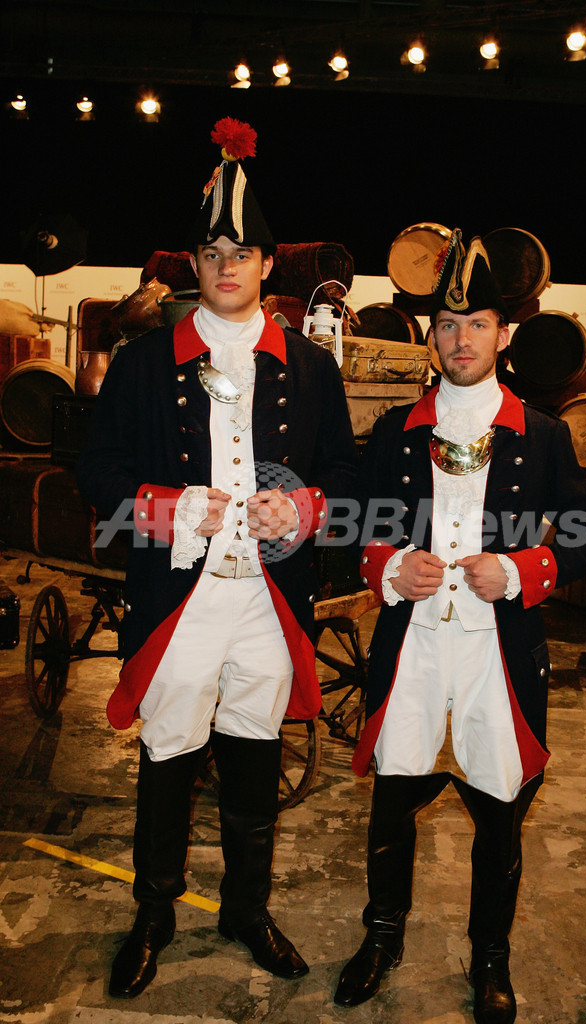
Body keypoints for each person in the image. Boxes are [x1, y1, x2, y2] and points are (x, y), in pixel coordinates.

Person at [77, 117, 357, 999]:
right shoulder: (141, 363)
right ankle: (153, 913)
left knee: (252, 755)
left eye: (242, 253)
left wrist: (304, 506)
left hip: (268, 598)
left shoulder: (309, 368)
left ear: (268, 265)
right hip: (180, 598)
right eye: (211, 253)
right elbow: (96, 472)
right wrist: (166, 510)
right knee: (168, 755)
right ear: (193, 266)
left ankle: (245, 909)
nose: (226, 265)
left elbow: (345, 475)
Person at [334, 231, 586, 1023]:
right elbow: (354, 524)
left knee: (498, 818)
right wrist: (388, 566)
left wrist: (522, 572)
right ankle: (380, 937)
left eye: (477, 324)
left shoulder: (544, 435)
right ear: (431, 336)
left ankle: (490, 958)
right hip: (413, 652)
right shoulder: (396, 430)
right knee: (391, 811)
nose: (461, 340)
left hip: (498, 658)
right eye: (448, 325)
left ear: (503, 334)